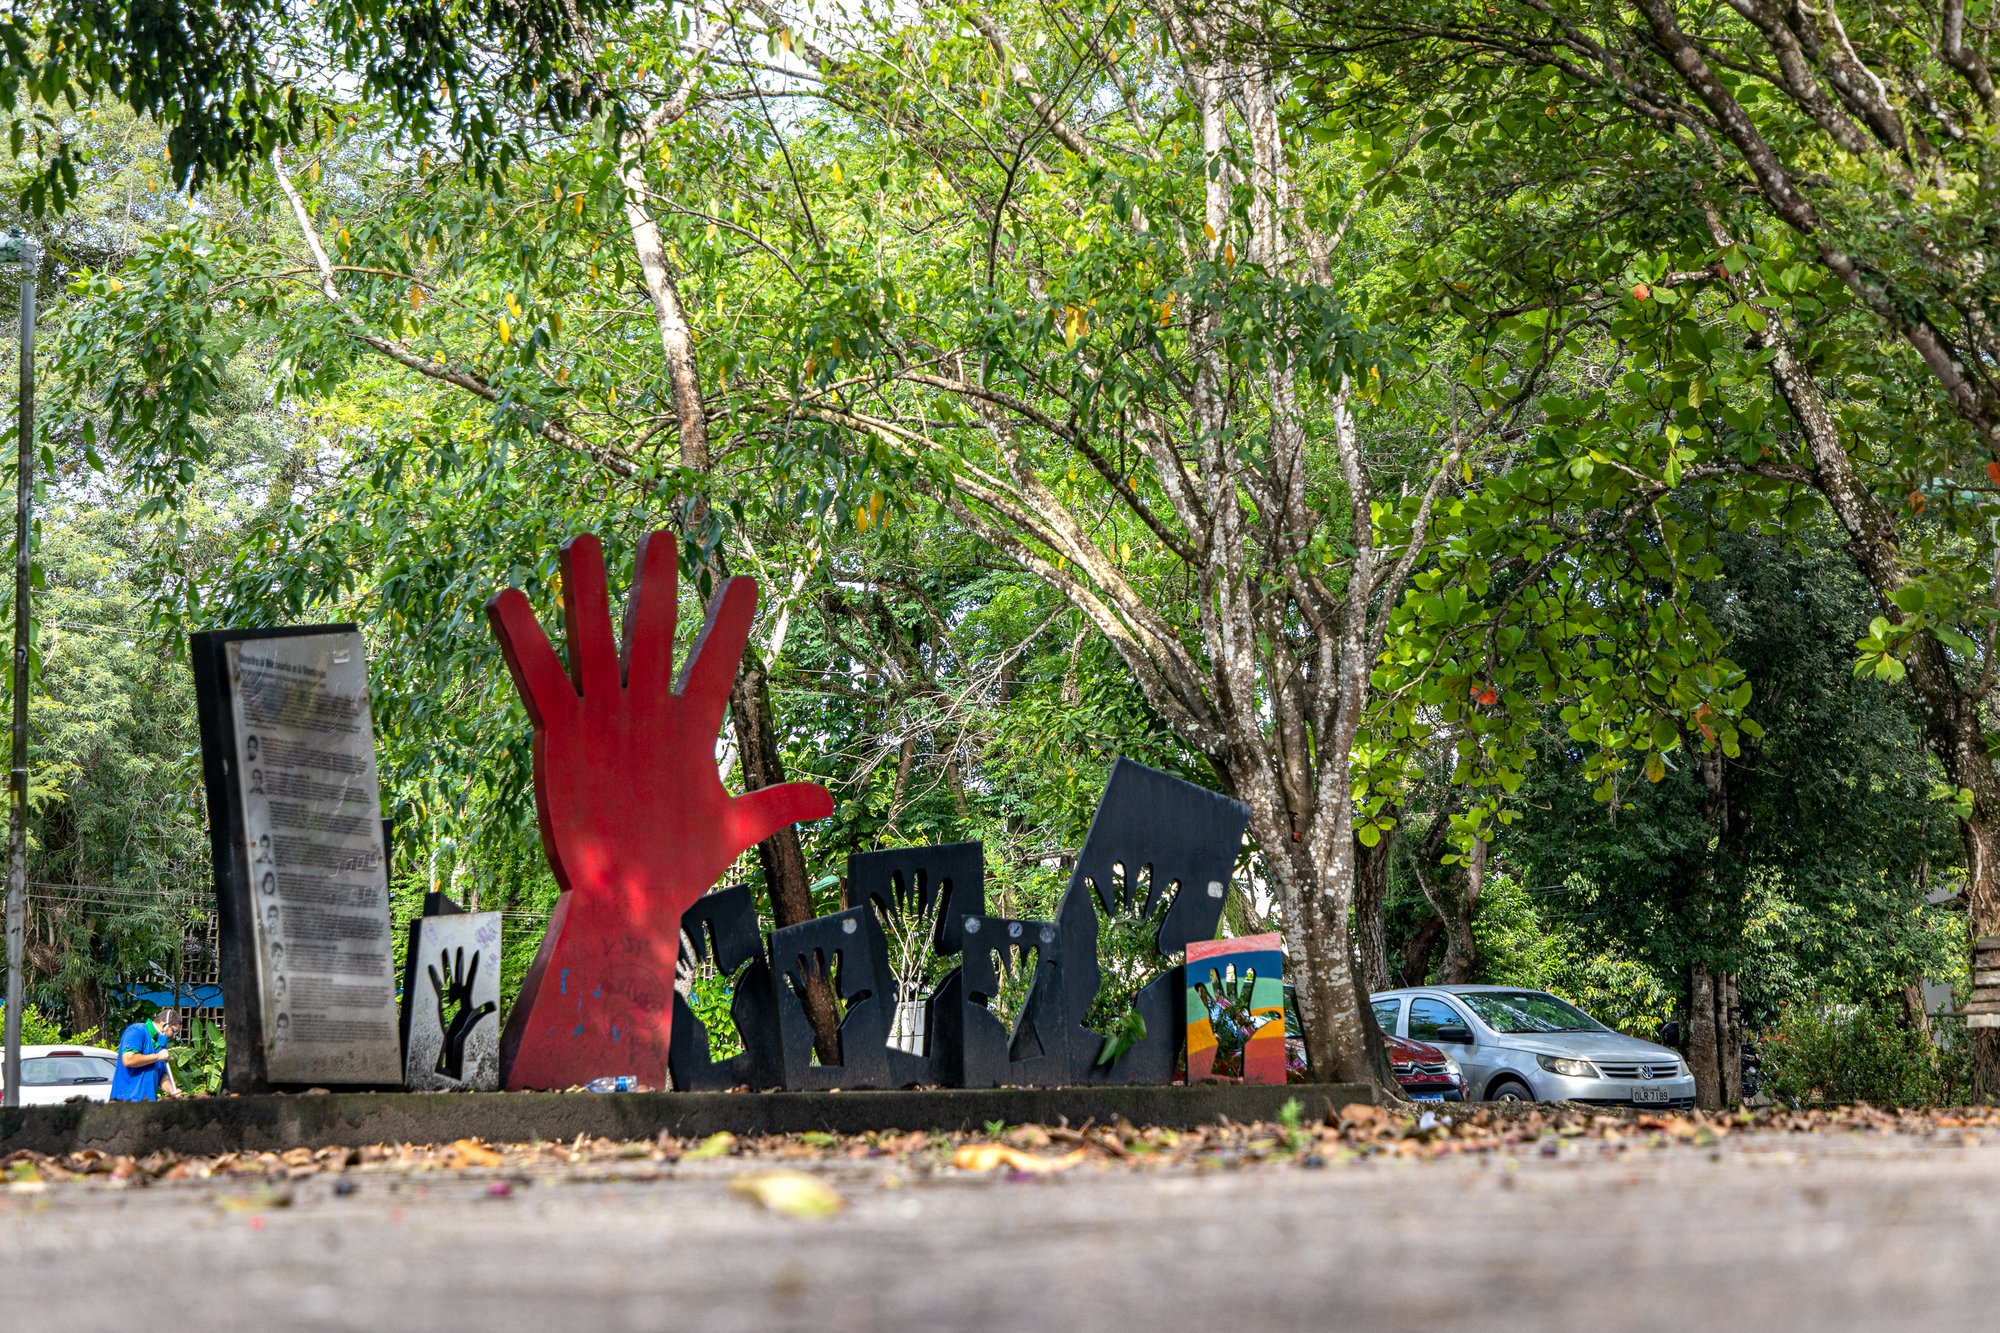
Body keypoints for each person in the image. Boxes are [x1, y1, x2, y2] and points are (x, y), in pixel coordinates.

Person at [110, 1007, 179, 1102]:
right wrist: (158, 1056)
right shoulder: (137, 1030)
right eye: (174, 1031)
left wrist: (171, 1090)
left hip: (148, 1103)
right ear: (164, 1025)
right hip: (126, 1101)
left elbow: (161, 1076)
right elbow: (128, 1060)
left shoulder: (162, 1045)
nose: (174, 1036)